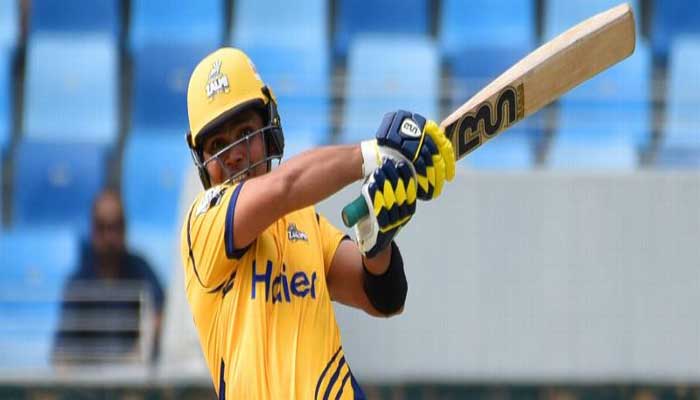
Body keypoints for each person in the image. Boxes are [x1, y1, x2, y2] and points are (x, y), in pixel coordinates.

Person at [181, 48, 455, 399]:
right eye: (218, 144)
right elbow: (285, 187)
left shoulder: (304, 222)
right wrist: (374, 154)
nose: (234, 154)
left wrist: (377, 241)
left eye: (246, 133)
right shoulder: (202, 224)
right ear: (201, 160)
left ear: (268, 130)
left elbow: (384, 298)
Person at [53, 189, 164, 364]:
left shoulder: (141, 271)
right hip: (88, 374)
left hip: (133, 373)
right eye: (102, 227)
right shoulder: (78, 283)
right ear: (93, 229)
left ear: (125, 228)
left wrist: (140, 354)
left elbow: (160, 315)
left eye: (116, 226)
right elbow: (62, 352)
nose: (109, 237)